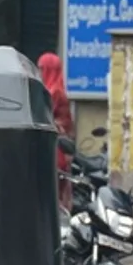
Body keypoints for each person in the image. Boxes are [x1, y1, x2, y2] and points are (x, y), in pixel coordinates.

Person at [37, 52, 74, 209]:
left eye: (41, 68)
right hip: (57, 148)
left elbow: (43, 116)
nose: (38, 72)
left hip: (55, 150)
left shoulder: (53, 92)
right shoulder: (52, 89)